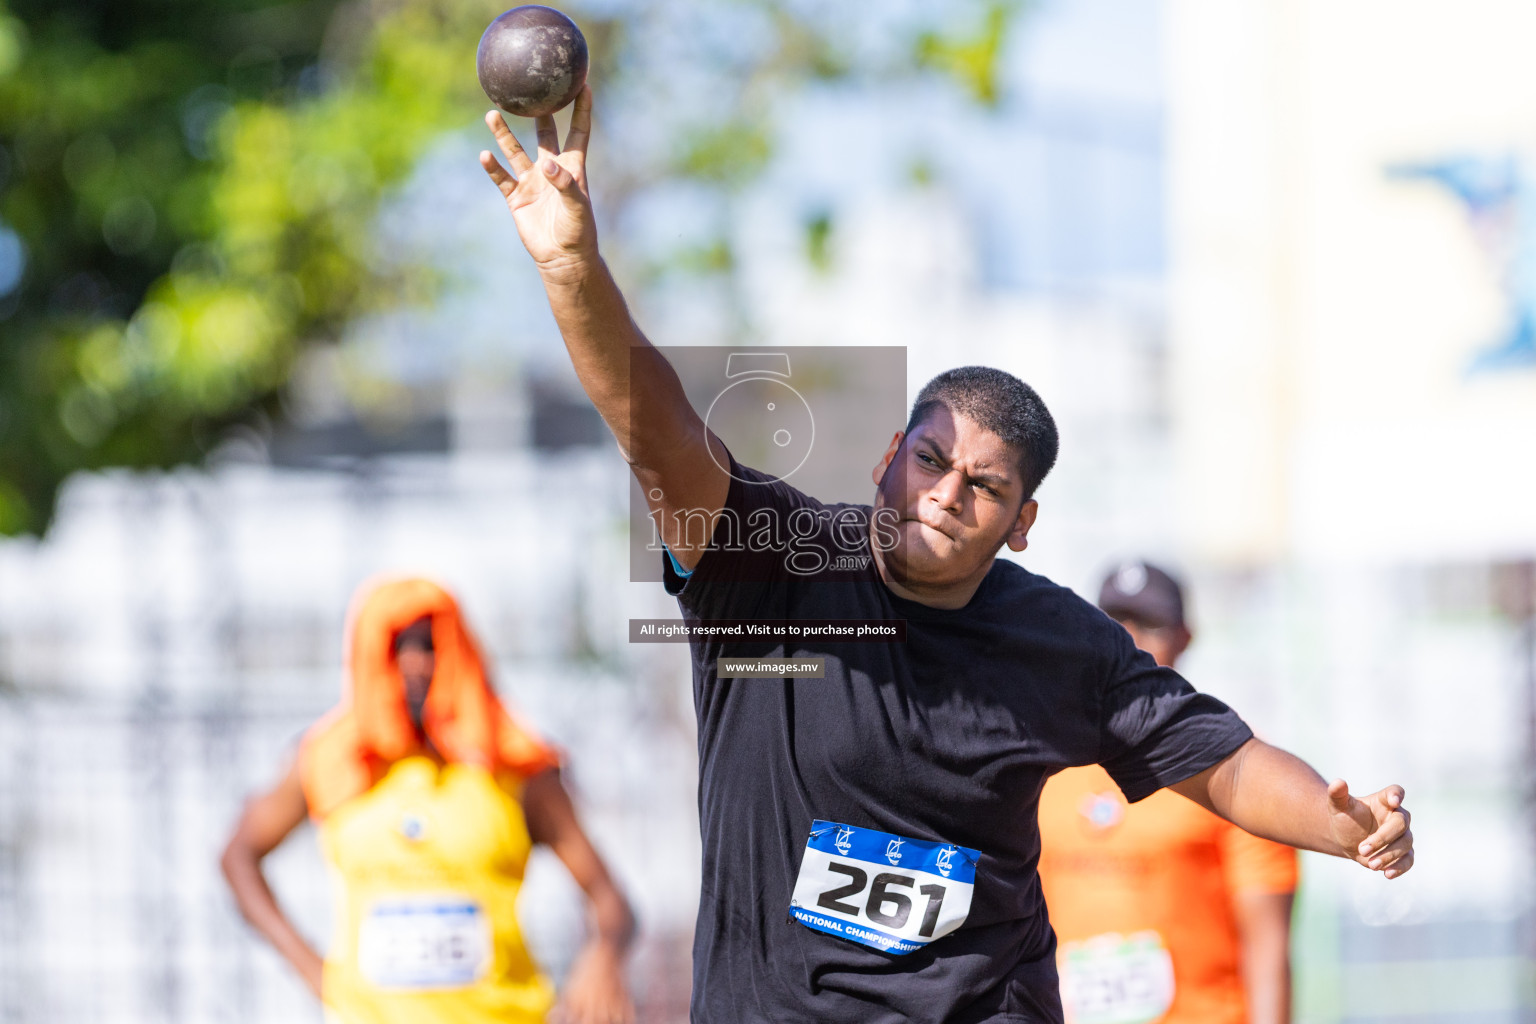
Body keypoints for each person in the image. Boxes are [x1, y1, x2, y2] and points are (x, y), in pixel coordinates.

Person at [475, 87, 1414, 1024]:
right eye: (930, 460)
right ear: (889, 456)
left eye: (985, 486)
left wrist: (1343, 825)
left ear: (1023, 522)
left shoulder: (1058, 643)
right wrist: (571, 268)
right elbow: (660, 432)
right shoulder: (771, 562)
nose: (946, 492)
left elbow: (1226, 763)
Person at [221, 577, 635, 1024]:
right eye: (397, 645)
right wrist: (313, 972)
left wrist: (603, 958)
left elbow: (611, 902)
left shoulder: (512, 766)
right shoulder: (331, 761)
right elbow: (239, 856)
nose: (414, 663)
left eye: (428, 644)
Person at [1038, 562, 1298, 1024]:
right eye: (1114, 623)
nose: (1130, 639)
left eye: (1150, 625)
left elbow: (1268, 946)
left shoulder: (1233, 767)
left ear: (1185, 638)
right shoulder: (1043, 757)